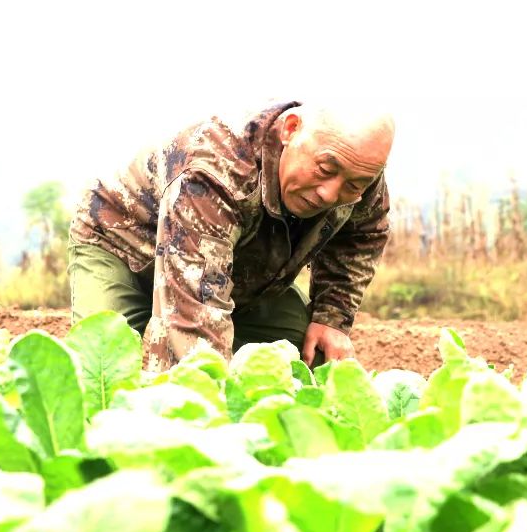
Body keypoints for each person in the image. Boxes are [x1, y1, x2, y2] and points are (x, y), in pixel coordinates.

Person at [67, 100, 394, 372]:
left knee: (310, 355)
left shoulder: (358, 172)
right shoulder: (215, 171)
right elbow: (192, 324)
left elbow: (363, 233)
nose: (329, 193)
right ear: (291, 129)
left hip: (232, 263)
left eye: (354, 184)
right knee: (105, 359)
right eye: (325, 169)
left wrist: (332, 317)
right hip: (121, 244)